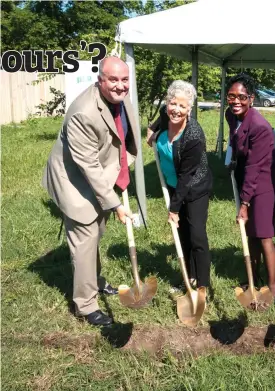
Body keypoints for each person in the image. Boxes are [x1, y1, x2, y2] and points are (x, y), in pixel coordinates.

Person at [42, 57, 137, 326]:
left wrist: (122, 171)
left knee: (97, 233)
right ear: (100, 81)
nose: (120, 86)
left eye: (124, 79)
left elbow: (119, 137)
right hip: (75, 181)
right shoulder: (84, 111)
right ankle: (85, 305)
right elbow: (88, 165)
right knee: (85, 239)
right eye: (113, 80)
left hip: (101, 174)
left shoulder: (119, 98)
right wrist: (115, 204)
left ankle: (94, 281)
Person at [149, 80, 213, 294]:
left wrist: (174, 209)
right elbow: (159, 120)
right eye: (173, 103)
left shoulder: (194, 136)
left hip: (194, 187)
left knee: (196, 235)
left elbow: (187, 176)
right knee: (182, 235)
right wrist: (152, 131)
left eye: (182, 106)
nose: (176, 109)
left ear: (190, 109)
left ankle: (203, 284)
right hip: (173, 183)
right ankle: (188, 277)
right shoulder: (166, 113)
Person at [226, 73, 275, 297]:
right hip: (247, 175)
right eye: (231, 96)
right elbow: (236, 142)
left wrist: (245, 203)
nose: (236, 101)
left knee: (264, 233)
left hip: (265, 179)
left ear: (251, 98)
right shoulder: (231, 115)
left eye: (242, 97)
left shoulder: (261, 127)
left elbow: (255, 167)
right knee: (250, 232)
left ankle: (272, 287)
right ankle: (253, 277)